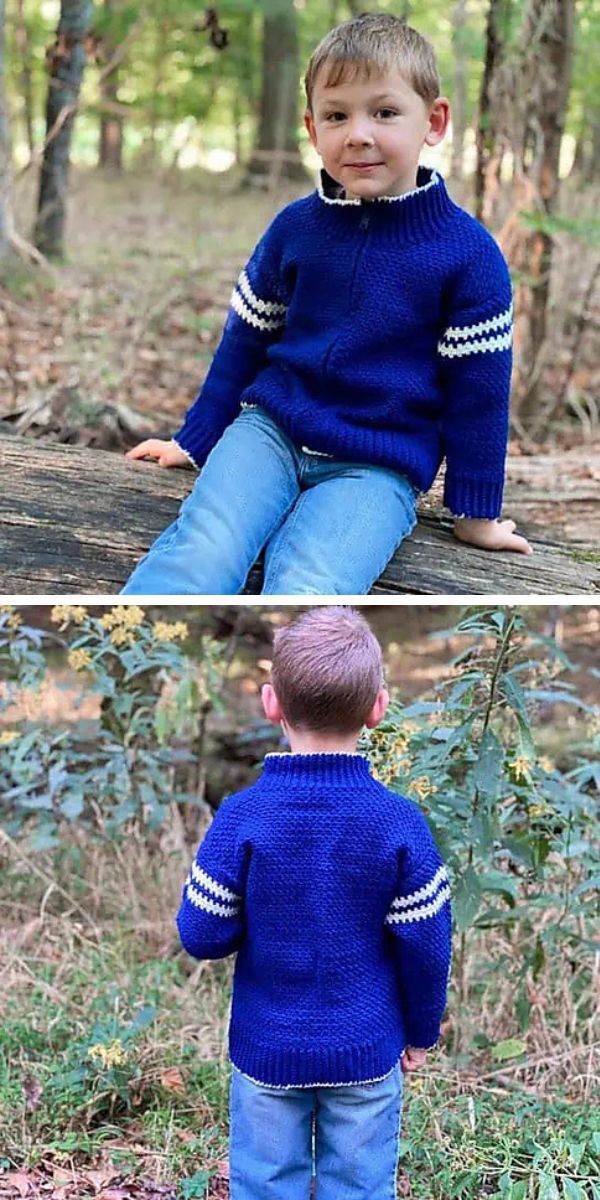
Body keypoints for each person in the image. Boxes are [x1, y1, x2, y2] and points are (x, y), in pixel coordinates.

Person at [122, 13, 531, 596]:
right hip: (271, 432)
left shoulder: (468, 254)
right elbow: (245, 338)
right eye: (337, 115)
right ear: (313, 131)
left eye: (385, 112)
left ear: (433, 122)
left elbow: (480, 394)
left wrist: (476, 511)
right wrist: (195, 439)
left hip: (378, 463)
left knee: (315, 583)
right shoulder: (295, 229)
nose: (358, 134)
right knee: (203, 549)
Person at [176, 606, 452, 1199]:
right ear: (378, 708)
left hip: (267, 1047)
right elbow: (426, 947)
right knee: (360, 1185)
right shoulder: (399, 823)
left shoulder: (242, 817)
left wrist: (252, 916)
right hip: (367, 1045)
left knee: (266, 1184)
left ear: (271, 703)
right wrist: (421, 1032)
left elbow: (201, 934)